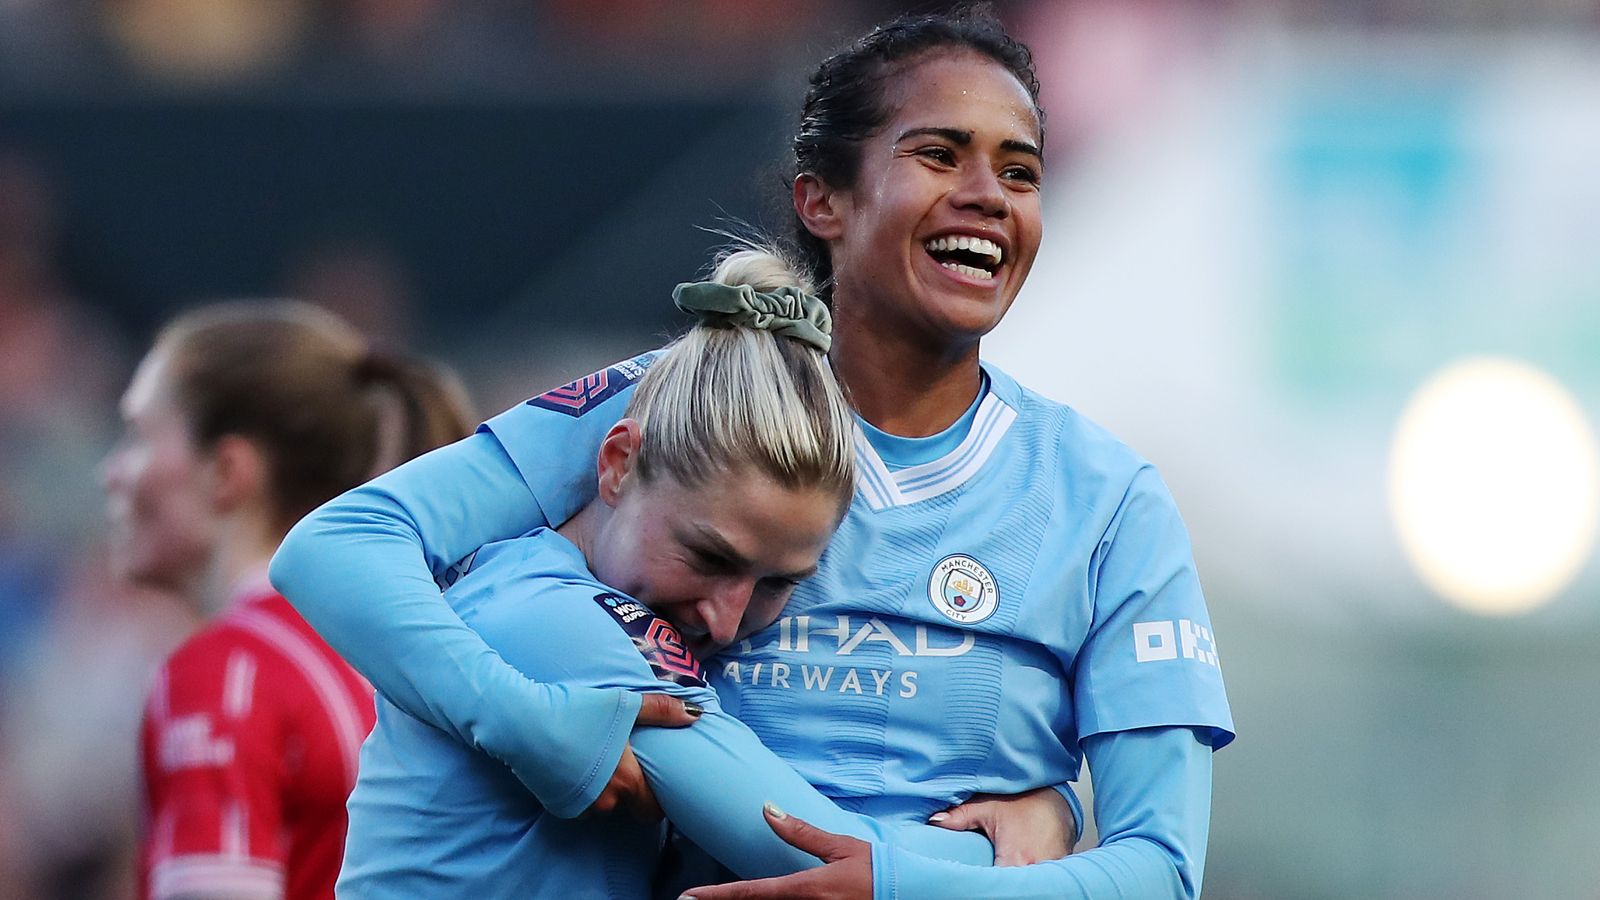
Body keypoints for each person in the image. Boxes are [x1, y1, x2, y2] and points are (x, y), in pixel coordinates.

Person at [272, 6, 1235, 898]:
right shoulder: (677, 403)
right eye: (940, 156)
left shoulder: (1110, 503)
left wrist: (1037, 825)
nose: (987, 195)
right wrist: (522, 716)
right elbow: (342, 546)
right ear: (822, 200)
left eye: (1020, 172)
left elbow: (1160, 871)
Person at [339, 261, 1006, 897]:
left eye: (776, 583)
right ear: (618, 464)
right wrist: (1023, 842)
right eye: (708, 558)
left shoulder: (530, 581)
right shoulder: (566, 622)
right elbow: (805, 849)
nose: (725, 619)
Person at [102, 301, 474, 900]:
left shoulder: (227, 675)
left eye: (139, 435)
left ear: (227, 471)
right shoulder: (416, 649)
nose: (113, 473)